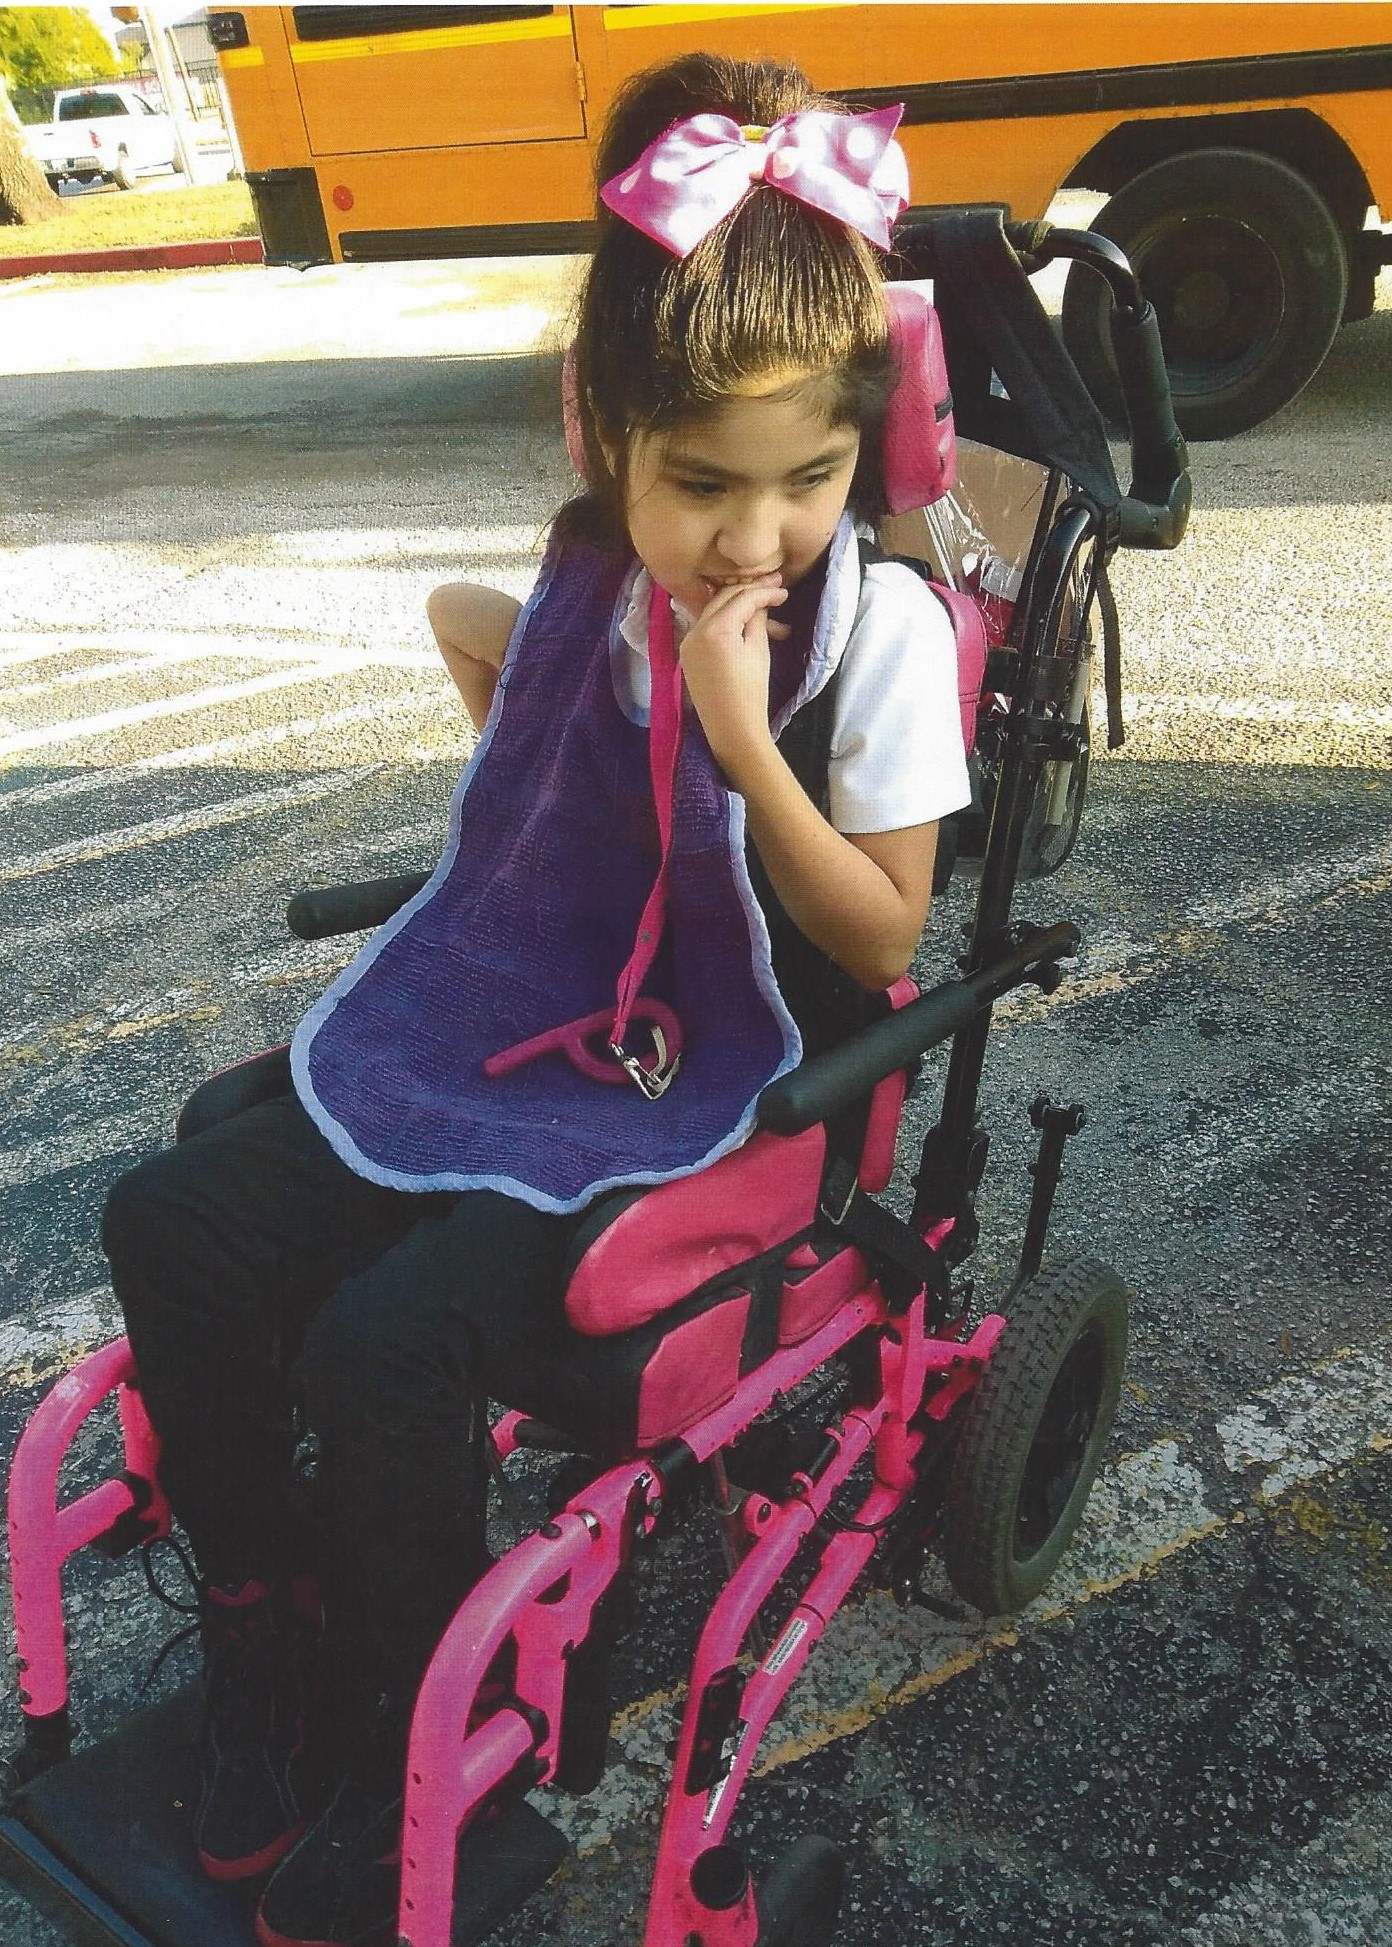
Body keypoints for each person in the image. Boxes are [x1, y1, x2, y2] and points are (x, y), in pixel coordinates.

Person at [101, 51, 969, 1947]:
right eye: (700, 484)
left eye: (810, 478)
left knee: (387, 1342)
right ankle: (266, 1618)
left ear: (871, 446)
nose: (755, 537)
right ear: (604, 438)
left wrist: (745, 745)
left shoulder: (883, 629)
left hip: (748, 1082)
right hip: (558, 1022)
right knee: (171, 1214)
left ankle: (431, 1717)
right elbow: (527, 742)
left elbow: (885, 934)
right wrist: (512, 685)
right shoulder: (592, 585)